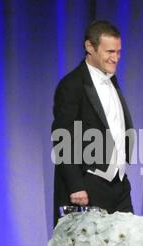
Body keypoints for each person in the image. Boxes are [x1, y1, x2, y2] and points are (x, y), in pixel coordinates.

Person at [51, 20, 134, 226]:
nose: (115, 58)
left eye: (119, 52)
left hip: (118, 184)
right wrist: (75, 186)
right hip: (89, 184)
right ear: (90, 47)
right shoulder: (72, 85)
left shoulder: (111, 80)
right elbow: (63, 137)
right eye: (110, 52)